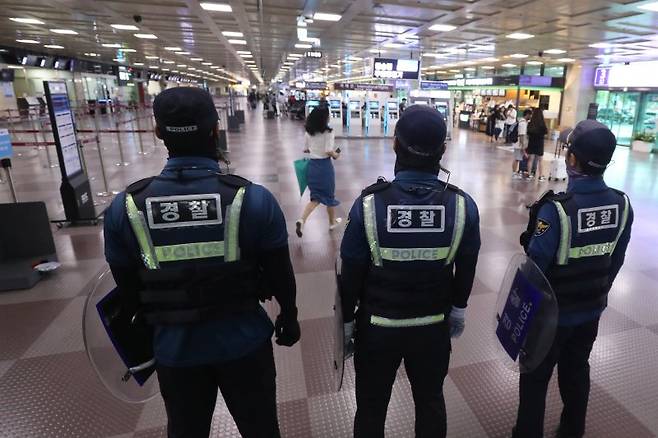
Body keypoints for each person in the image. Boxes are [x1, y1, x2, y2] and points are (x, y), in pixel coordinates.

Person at [103, 87, 300, 438]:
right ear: (215, 129)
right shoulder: (252, 200)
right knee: (261, 430)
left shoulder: (126, 208)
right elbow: (280, 273)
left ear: (158, 132)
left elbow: (129, 291)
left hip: (174, 351)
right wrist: (289, 314)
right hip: (244, 344)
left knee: (186, 430)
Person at [339, 105, 481, 438]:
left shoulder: (368, 205)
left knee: (371, 408)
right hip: (432, 329)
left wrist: (346, 323)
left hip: (377, 329)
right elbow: (468, 265)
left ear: (394, 145)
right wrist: (458, 311)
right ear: (442, 150)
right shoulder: (463, 206)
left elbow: (351, 274)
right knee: (430, 402)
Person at [513, 120, 633, 438]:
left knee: (535, 376)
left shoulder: (557, 211)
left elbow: (535, 268)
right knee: (577, 370)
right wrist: (598, 292)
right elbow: (616, 258)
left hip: (552, 319)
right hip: (591, 311)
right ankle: (572, 429)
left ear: (573, 160)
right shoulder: (622, 205)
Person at [295, 107, 342, 237]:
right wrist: (337, 153)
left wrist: (315, 149)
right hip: (324, 168)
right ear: (324, 118)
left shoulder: (308, 132)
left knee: (315, 198)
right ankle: (332, 222)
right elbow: (328, 151)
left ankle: (302, 220)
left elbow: (305, 149)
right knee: (329, 196)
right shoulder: (329, 132)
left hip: (312, 167)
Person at [527, 107, 548, 181]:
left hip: (531, 142)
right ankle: (540, 176)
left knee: (530, 159)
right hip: (540, 143)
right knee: (540, 160)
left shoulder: (530, 123)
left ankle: (529, 174)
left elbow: (528, 132)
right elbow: (546, 132)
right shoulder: (542, 124)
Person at [513, 109, 532, 179]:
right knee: (517, 159)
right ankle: (514, 173)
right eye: (530, 115)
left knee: (518, 158)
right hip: (519, 144)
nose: (531, 116)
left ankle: (515, 172)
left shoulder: (522, 121)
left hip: (520, 144)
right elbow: (521, 135)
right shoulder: (523, 123)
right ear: (527, 115)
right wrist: (523, 146)